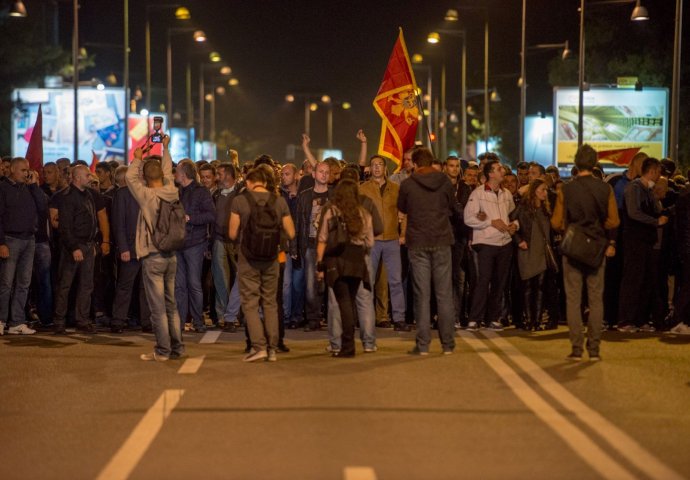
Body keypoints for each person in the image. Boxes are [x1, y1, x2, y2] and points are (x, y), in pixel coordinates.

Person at [551, 144, 620, 361]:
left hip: (573, 248)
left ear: (576, 162)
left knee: (573, 299)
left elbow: (556, 222)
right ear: (595, 163)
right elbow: (614, 220)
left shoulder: (567, 189)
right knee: (596, 299)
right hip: (596, 248)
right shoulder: (605, 189)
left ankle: (576, 348)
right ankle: (595, 349)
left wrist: (570, 227)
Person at [126, 136, 185, 361]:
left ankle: (162, 350)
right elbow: (169, 171)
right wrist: (166, 147)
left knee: (157, 308)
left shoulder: (147, 196)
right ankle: (177, 348)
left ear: (145, 177)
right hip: (172, 255)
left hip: (153, 255)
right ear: (161, 175)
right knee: (171, 305)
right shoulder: (172, 190)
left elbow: (130, 178)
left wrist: (137, 159)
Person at [228, 168, 295, 362]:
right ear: (265, 183)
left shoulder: (240, 201)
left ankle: (258, 347)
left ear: (249, 183)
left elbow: (232, 234)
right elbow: (291, 232)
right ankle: (273, 348)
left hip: (248, 258)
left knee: (250, 303)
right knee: (270, 302)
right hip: (272, 258)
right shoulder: (279, 201)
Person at [398, 147, 457, 355]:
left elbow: (402, 208)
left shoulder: (407, 184)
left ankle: (423, 345)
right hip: (441, 239)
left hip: (418, 241)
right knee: (444, 294)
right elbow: (453, 206)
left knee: (422, 295)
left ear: (414, 163)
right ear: (432, 162)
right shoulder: (445, 182)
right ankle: (448, 344)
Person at [316, 179, 374, 358]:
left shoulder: (331, 211)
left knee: (343, 303)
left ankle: (347, 346)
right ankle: (356, 343)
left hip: (337, 260)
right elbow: (370, 243)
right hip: (357, 261)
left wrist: (320, 265)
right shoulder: (363, 213)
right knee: (351, 301)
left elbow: (323, 239)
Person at [464, 156, 518, 331]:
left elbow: (512, 213)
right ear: (490, 174)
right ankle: (474, 318)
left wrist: (513, 225)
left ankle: (493, 318)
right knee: (483, 280)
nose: (503, 171)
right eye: (499, 169)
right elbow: (468, 218)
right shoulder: (478, 193)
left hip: (505, 243)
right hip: (486, 243)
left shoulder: (506, 194)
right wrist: (490, 222)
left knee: (499, 282)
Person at [617, 157, 667, 333]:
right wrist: (655, 221)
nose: (660, 175)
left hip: (646, 242)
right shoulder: (635, 188)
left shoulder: (647, 190)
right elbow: (633, 212)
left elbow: (657, 209)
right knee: (633, 280)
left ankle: (640, 319)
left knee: (645, 280)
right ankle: (625, 320)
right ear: (652, 171)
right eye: (658, 171)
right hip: (635, 241)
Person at [359, 155, 409, 332]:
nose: (377, 168)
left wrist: (402, 234)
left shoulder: (396, 188)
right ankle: (366, 318)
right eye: (374, 165)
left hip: (392, 240)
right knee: (368, 281)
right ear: (370, 169)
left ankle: (399, 318)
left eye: (380, 164)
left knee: (395, 281)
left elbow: (404, 213)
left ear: (385, 168)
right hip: (372, 241)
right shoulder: (363, 189)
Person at [0, 158, 47, 335]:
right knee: (5, 283)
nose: (26, 173)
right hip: (10, 239)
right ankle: (1, 319)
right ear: (12, 169)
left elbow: (43, 208)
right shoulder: (3, 188)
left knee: (23, 283)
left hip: (29, 240)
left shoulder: (29, 188)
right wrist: (1, 243)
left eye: (27, 170)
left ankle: (16, 322)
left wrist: (35, 186)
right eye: (22, 170)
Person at [52, 165, 100, 334]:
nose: (90, 177)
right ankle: (59, 321)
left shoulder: (87, 195)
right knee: (65, 285)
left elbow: (92, 220)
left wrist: (92, 243)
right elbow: (65, 227)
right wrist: (74, 247)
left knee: (86, 285)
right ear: (77, 178)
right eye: (87, 174)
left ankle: (82, 319)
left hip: (87, 245)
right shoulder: (68, 197)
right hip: (74, 247)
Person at [174, 160, 216, 333]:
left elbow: (211, 215)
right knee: (179, 285)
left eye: (177, 171)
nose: (174, 174)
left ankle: (198, 321)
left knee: (193, 283)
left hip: (195, 243)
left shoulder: (201, 192)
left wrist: (190, 218)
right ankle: (181, 321)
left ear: (184, 174)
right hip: (178, 243)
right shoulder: (177, 192)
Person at [111, 165, 151, 334]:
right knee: (125, 286)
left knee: (147, 287)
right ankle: (118, 321)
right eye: (140, 172)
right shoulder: (122, 194)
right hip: (131, 248)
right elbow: (118, 223)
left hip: (149, 249)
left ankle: (147, 322)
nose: (142, 174)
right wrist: (124, 248)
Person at [510, 179, 553, 331]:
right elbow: (511, 223)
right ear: (535, 191)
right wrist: (519, 240)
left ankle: (537, 320)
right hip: (527, 249)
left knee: (540, 286)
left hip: (541, 251)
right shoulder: (523, 207)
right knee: (528, 286)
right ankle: (529, 320)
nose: (545, 193)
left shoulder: (546, 208)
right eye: (542, 189)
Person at [294, 161, 331, 331]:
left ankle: (332, 319)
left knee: (331, 284)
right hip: (309, 245)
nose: (324, 174)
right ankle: (313, 319)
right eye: (321, 171)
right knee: (310, 285)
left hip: (331, 246)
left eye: (327, 172)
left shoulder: (334, 195)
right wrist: (295, 246)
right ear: (314, 174)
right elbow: (298, 224)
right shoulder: (305, 196)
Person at [210, 162, 239, 332]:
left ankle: (236, 315)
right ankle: (223, 316)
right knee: (221, 278)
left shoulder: (240, 193)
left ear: (228, 175)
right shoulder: (216, 194)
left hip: (236, 242)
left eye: (219, 174)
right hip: (219, 239)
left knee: (239, 280)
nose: (216, 178)